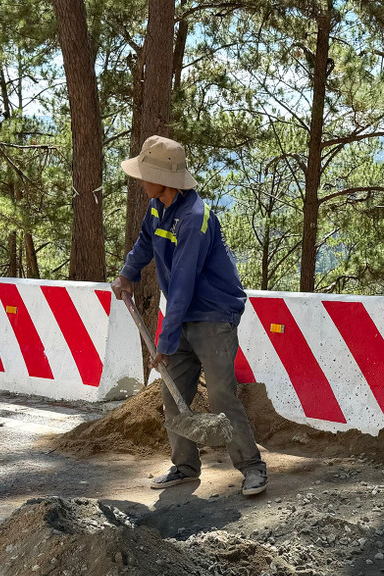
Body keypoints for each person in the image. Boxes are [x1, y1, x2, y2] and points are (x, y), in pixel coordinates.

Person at [111, 135, 268, 497]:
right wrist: (127, 275)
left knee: (221, 396)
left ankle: (252, 467)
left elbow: (181, 287)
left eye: (145, 173)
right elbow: (144, 243)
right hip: (183, 315)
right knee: (172, 393)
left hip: (214, 315)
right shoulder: (157, 206)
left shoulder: (194, 219)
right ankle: (184, 466)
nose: (140, 180)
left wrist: (164, 343)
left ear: (163, 179)